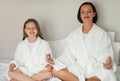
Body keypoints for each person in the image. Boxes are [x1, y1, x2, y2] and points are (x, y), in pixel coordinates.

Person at [46, 2, 117, 81]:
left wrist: (107, 64)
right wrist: (53, 61)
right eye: (83, 12)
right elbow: (68, 56)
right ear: (80, 15)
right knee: (54, 69)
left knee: (107, 73)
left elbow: (106, 54)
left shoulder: (102, 34)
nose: (86, 14)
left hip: (95, 68)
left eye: (89, 11)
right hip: (79, 67)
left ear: (94, 14)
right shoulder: (73, 35)